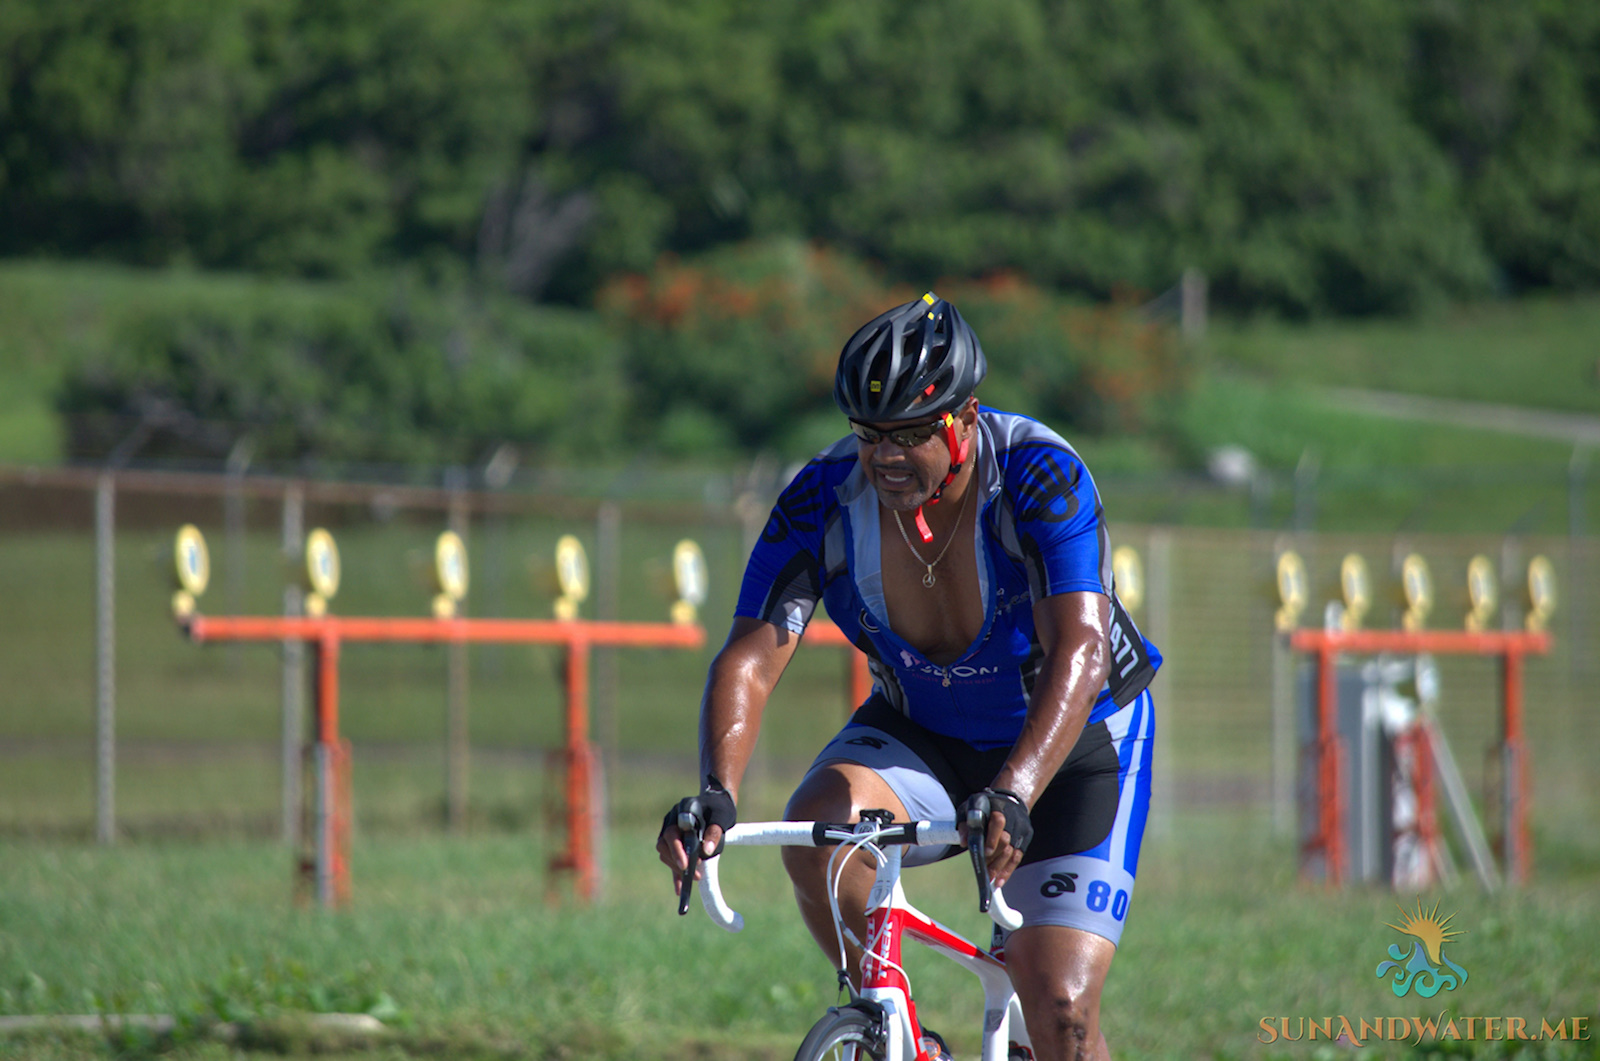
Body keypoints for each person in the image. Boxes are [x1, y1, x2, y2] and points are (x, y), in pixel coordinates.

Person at [657, 293, 1161, 1061]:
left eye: (911, 434)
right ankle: (889, 1026)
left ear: (964, 417)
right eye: (869, 435)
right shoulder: (822, 497)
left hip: (1074, 738)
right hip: (925, 728)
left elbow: (1080, 651)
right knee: (818, 828)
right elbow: (751, 657)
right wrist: (717, 792)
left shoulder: (1041, 477)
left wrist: (1019, 790)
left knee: (1057, 1005)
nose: (886, 457)